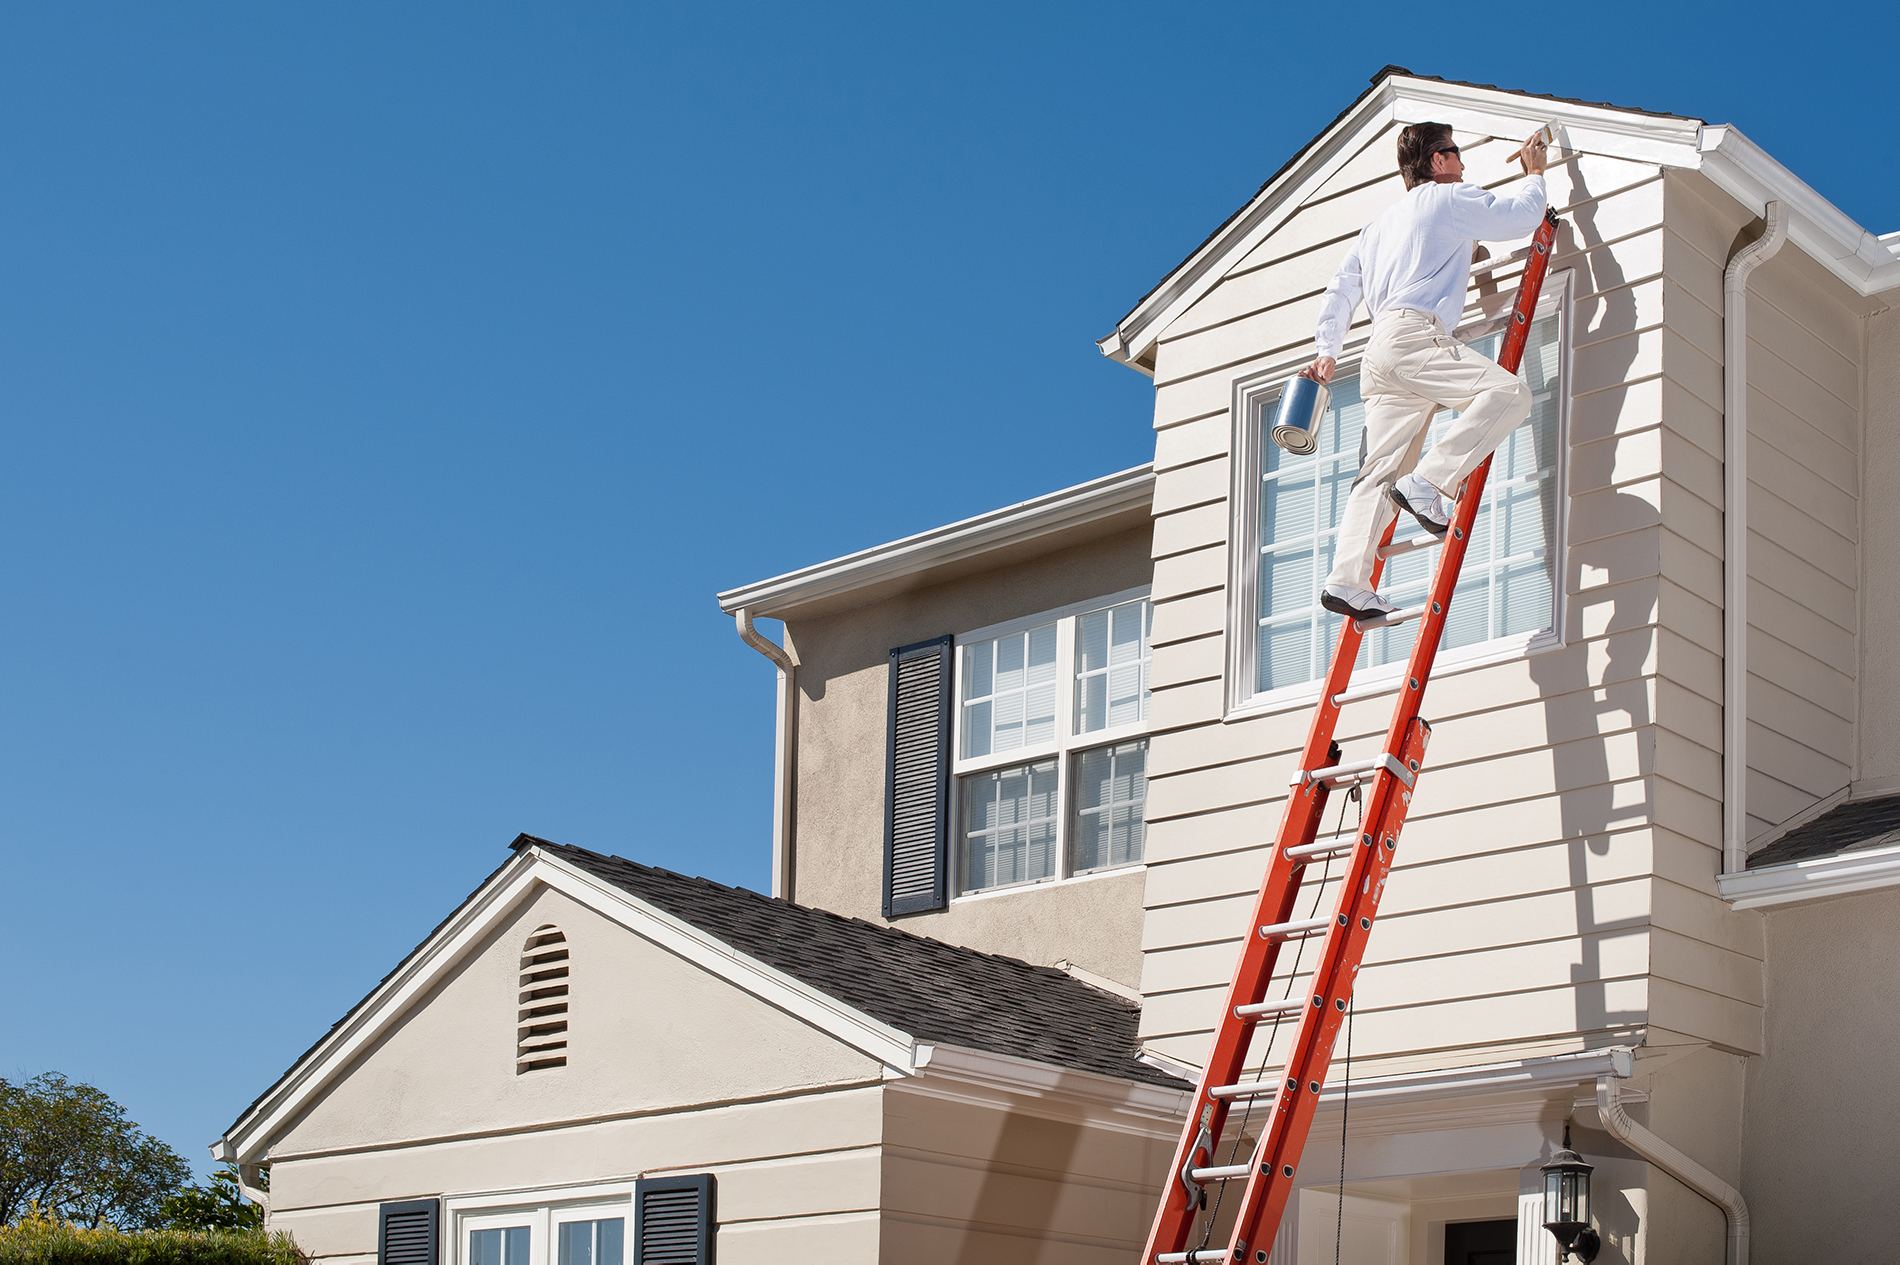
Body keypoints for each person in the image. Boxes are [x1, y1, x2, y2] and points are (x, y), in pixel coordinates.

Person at [1303, 121, 1550, 621]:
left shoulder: (1377, 229)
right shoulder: (1448, 200)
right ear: (1438, 162)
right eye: (1457, 154)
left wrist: (1328, 349)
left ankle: (1346, 581)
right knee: (1509, 395)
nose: (1464, 164)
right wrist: (1535, 173)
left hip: (1379, 352)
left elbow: (1340, 291)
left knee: (1378, 473)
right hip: (1416, 336)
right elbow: (1523, 215)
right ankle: (1432, 482)